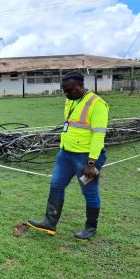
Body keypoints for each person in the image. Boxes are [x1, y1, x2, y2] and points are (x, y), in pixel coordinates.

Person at [27, 71, 109, 239]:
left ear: (80, 86)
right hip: (65, 155)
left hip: (86, 159)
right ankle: (49, 223)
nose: (66, 93)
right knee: (56, 185)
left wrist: (92, 163)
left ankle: (90, 228)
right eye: (64, 90)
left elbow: (99, 135)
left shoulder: (97, 104)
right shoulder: (70, 100)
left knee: (89, 192)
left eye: (69, 90)